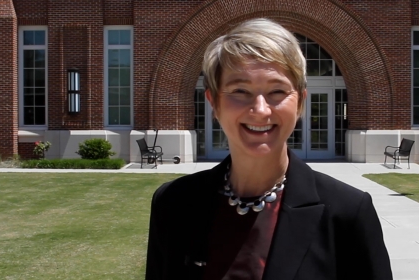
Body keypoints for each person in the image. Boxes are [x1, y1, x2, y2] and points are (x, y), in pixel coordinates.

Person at [145, 18, 392, 280]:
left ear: (299, 104)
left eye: (277, 91)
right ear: (213, 103)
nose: (260, 110)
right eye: (240, 90)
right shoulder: (173, 203)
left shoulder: (347, 213)